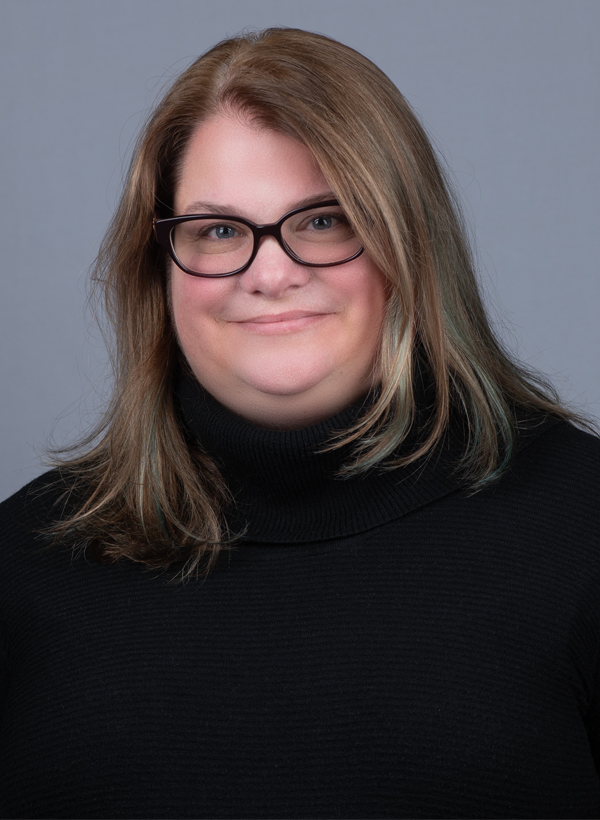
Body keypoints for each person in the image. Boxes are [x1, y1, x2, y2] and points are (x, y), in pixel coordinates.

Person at [0, 27, 599, 820]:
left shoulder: (584, 527)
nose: (270, 272)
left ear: (409, 246)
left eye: (324, 220)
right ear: (159, 269)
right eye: (218, 231)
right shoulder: (24, 565)